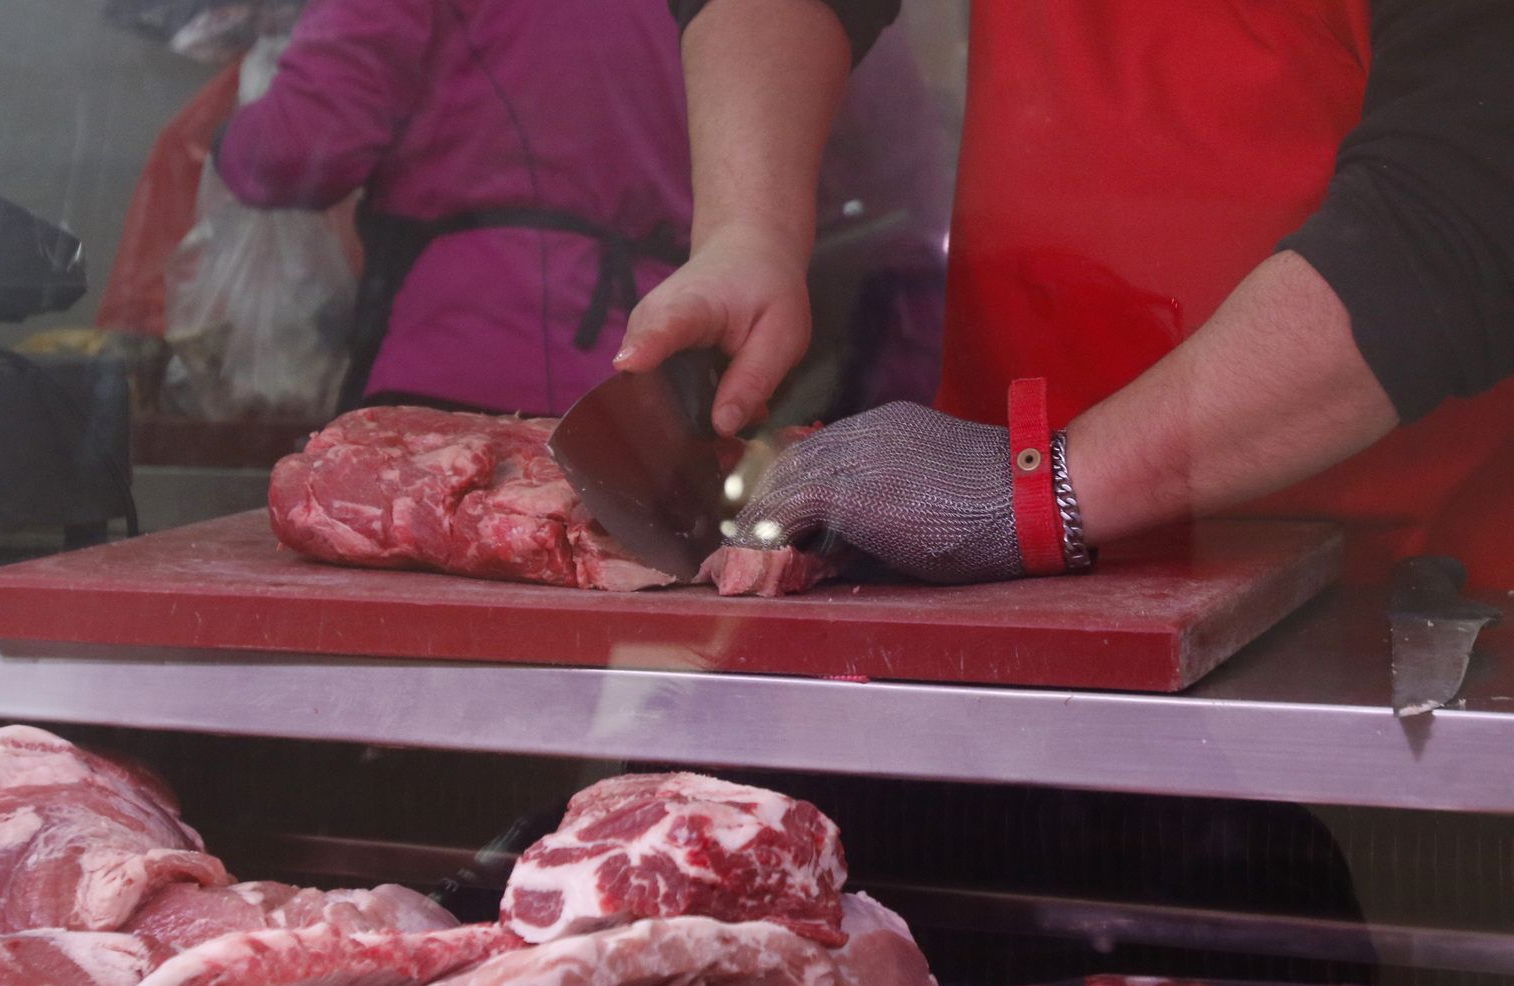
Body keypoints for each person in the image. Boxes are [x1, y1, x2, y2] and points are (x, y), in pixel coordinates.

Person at [617, 0, 1514, 588]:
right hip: (994, 570)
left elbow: (1460, 211)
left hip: (1387, 604)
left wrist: (1040, 492)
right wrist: (750, 225)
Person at [211, 0, 948, 422]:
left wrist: (223, 135)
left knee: (438, 668)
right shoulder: (798, 23)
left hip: (457, 366)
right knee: (629, 656)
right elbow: (898, 169)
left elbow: (296, 150)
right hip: (672, 375)